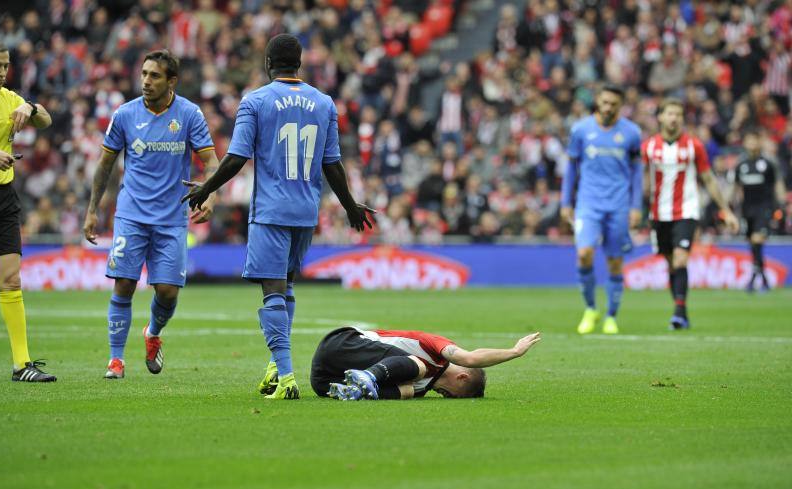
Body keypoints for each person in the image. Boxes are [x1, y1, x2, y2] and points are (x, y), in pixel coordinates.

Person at [182, 34, 373, 400]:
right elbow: (332, 164)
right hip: (305, 211)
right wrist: (350, 205)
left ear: (268, 63)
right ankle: (275, 366)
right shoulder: (324, 102)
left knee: (272, 291)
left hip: (271, 210)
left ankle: (286, 378)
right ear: (299, 63)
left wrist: (207, 188)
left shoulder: (255, 100)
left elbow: (236, 158)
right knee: (286, 287)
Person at [83, 50, 219, 379]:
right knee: (124, 283)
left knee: (168, 292)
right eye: (144, 74)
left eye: (154, 75)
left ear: (172, 81)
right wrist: (92, 210)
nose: (146, 81)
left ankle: (153, 332)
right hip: (131, 214)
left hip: (171, 218)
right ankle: (116, 360)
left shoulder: (189, 114)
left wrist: (211, 196)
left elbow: (211, 162)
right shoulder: (125, 114)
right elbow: (105, 165)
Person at [642, 98, 739, 329]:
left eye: (678, 114)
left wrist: (726, 210)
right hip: (658, 213)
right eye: (670, 114)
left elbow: (708, 178)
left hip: (686, 210)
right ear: (660, 117)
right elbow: (640, 178)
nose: (674, 118)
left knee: (680, 258)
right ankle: (682, 312)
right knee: (671, 264)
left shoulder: (694, 146)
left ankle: (678, 312)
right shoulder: (648, 147)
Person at [0, 38, 56, 382]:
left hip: (2, 198)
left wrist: (30, 107)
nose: (2, 72)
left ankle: (21, 364)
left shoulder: (8, 98)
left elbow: (46, 120)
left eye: (5, 65)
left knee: (11, 280)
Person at [560, 85, 643, 336]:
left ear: (621, 105)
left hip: (618, 205)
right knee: (584, 254)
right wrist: (566, 202)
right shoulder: (580, 129)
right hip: (588, 204)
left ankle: (611, 316)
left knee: (615, 262)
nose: (608, 108)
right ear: (598, 101)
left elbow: (637, 172)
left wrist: (636, 205)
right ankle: (590, 309)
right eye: (604, 102)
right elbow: (571, 168)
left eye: (613, 104)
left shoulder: (631, 132)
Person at [310, 326, 542, 400]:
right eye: (454, 395)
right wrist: (514, 352)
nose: (446, 396)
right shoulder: (437, 350)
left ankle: (353, 390)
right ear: (462, 377)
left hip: (322, 379)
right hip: (343, 342)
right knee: (418, 368)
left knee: (407, 391)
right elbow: (469, 358)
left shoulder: (421, 390)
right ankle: (368, 377)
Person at [728, 130, 787, 292]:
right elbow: (735, 187)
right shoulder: (741, 164)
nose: (752, 144)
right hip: (747, 209)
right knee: (752, 243)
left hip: (764, 207)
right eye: (749, 141)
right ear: (745, 143)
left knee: (757, 239)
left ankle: (754, 278)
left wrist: (782, 204)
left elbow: (777, 183)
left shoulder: (768, 162)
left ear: (759, 142)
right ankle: (762, 278)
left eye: (755, 140)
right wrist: (728, 207)